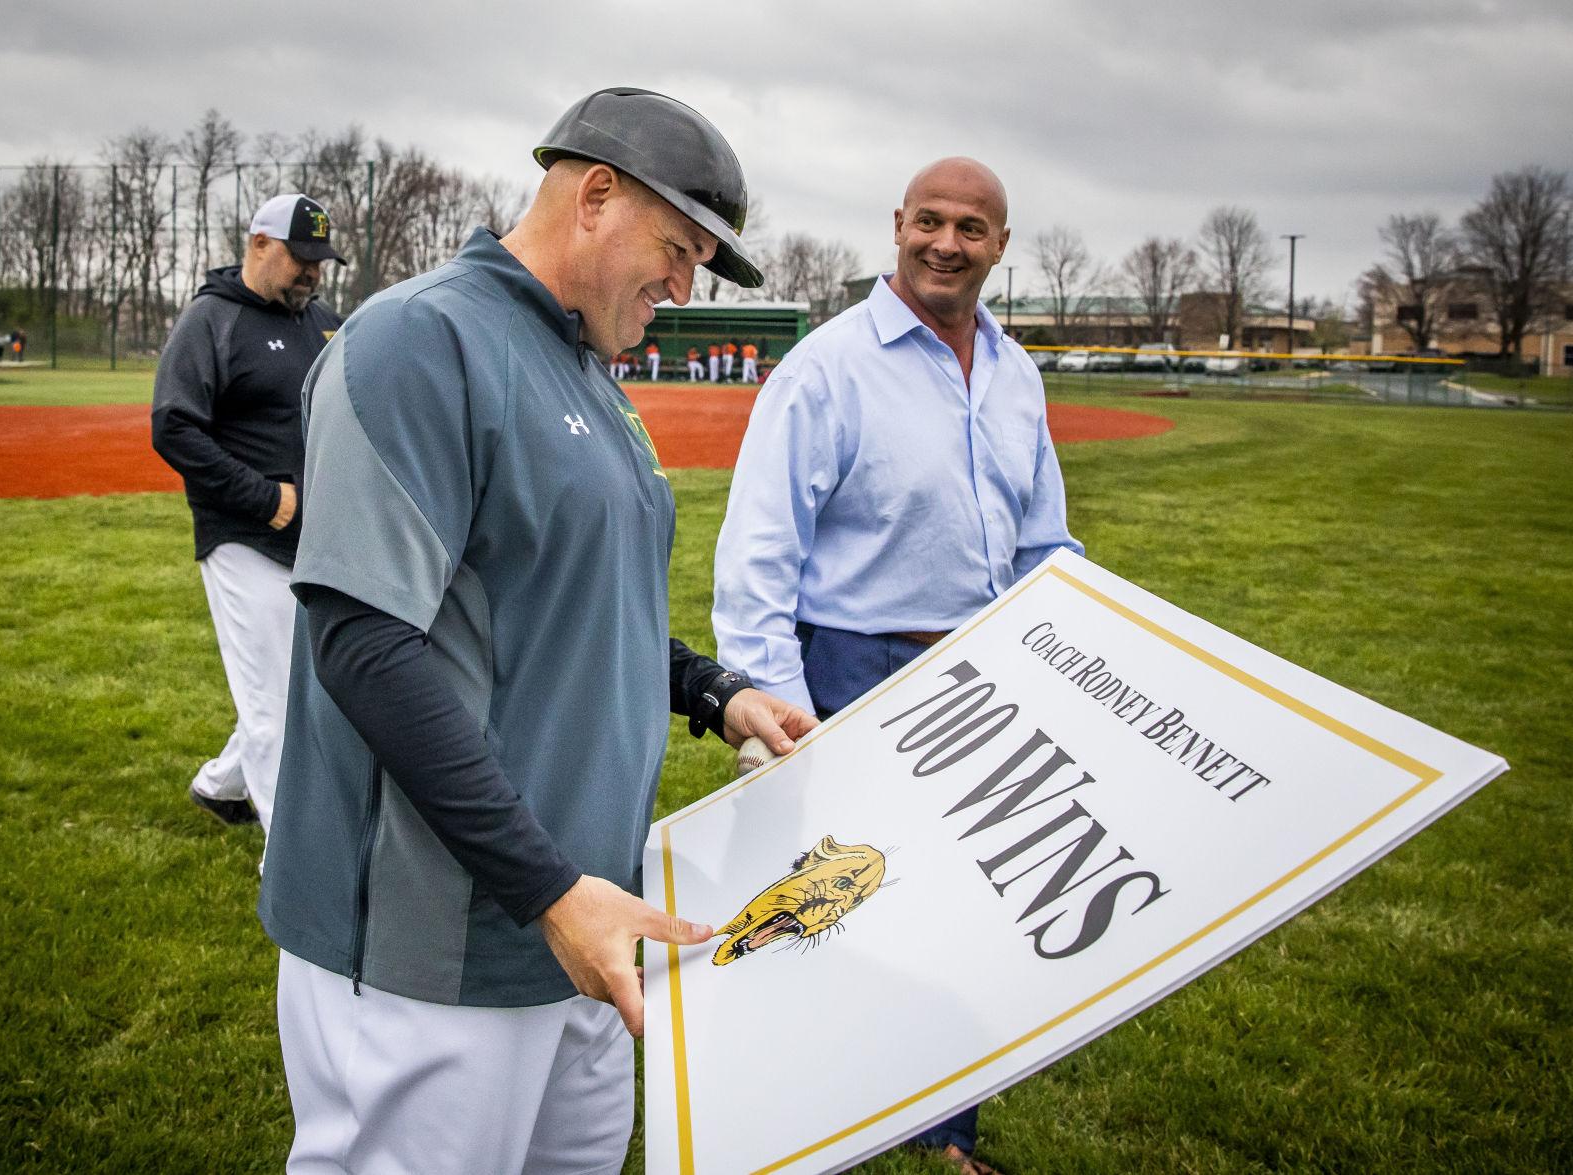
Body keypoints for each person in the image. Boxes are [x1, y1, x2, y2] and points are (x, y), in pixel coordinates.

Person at [259, 87, 816, 1173]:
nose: (683, 283)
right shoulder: (418, 338)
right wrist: (547, 889)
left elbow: (573, 602)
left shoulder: (588, 371)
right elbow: (365, 646)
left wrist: (713, 690)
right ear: (595, 196)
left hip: (590, 926)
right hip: (440, 946)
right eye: (678, 247)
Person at [711, 157, 1083, 1175]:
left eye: (970, 227)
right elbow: (757, 554)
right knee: (828, 912)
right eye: (928, 221)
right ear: (896, 225)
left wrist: (1073, 641)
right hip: (847, 667)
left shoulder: (1014, 374)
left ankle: (938, 1136)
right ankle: (779, 1121)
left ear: (999, 246)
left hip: (977, 670)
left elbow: (1042, 539)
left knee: (959, 911)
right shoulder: (826, 367)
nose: (945, 243)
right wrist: (769, 712)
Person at [150, 192, 346, 840]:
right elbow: (174, 427)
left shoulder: (318, 320)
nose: (312, 273)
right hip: (240, 535)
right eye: (301, 258)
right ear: (259, 244)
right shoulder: (211, 319)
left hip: (312, 537)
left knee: (307, 685)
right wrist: (264, 498)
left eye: (321, 261)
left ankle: (219, 784)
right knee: (275, 707)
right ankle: (290, 861)